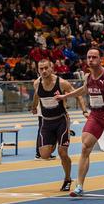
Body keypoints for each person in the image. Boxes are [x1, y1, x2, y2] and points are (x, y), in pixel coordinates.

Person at [55, 47, 104, 197]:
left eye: (94, 57)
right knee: (85, 147)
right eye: (89, 57)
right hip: (95, 116)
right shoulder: (88, 77)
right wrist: (65, 96)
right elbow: (83, 90)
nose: (91, 60)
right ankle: (79, 186)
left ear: (100, 59)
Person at [30, 59, 85, 192]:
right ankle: (54, 139)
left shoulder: (61, 83)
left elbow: (78, 95)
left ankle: (67, 178)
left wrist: (84, 110)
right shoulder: (37, 83)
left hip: (61, 120)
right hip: (46, 121)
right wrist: (33, 107)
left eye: (46, 68)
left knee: (62, 153)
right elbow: (36, 96)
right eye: (40, 68)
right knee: (44, 155)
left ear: (52, 68)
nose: (43, 71)